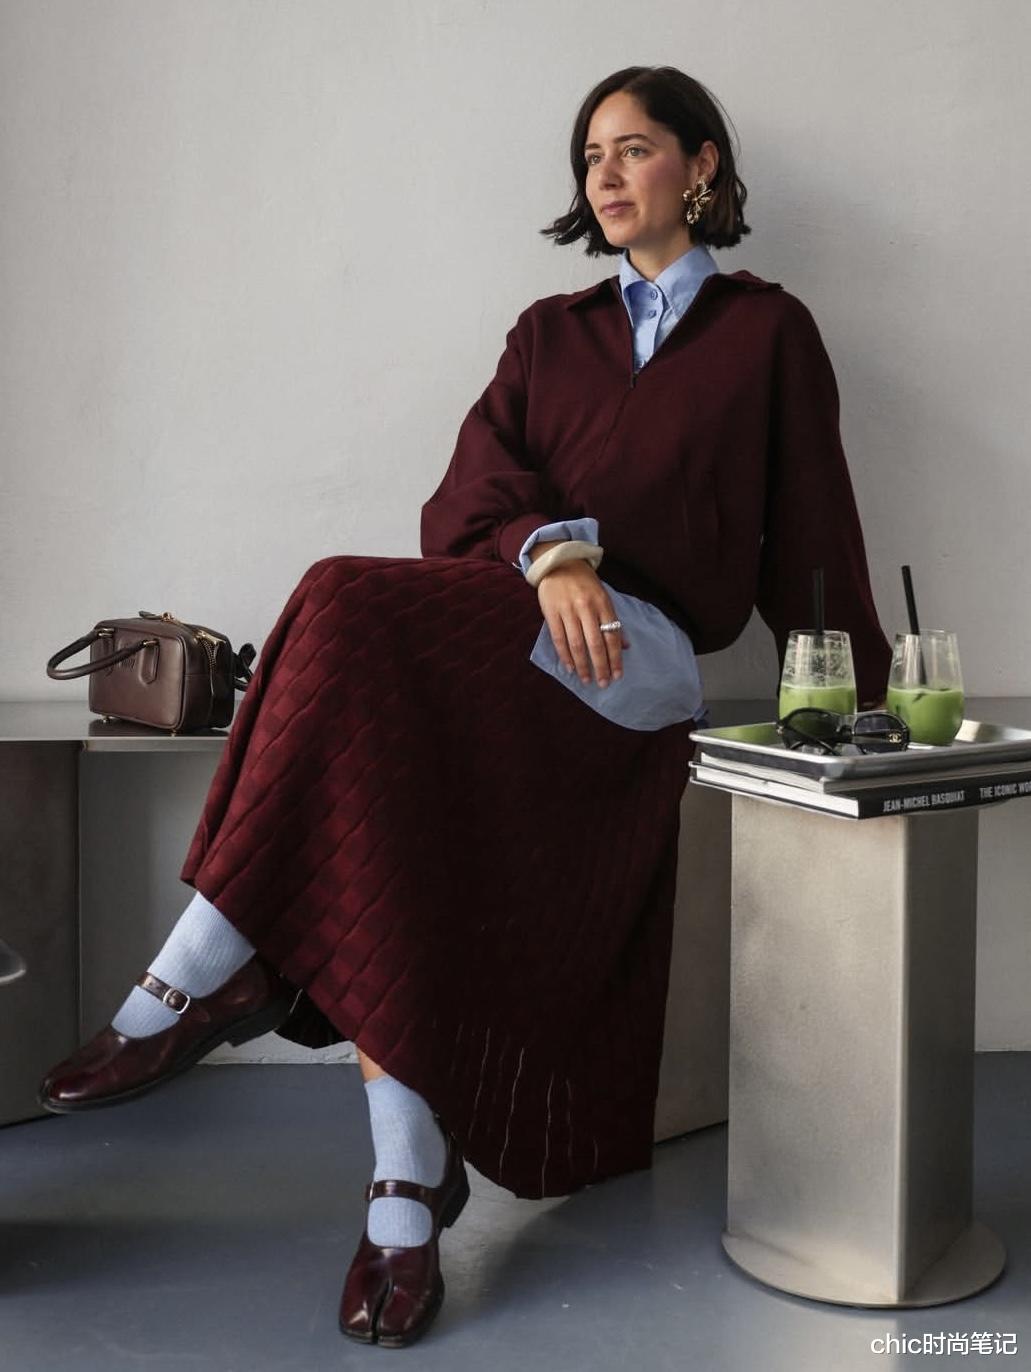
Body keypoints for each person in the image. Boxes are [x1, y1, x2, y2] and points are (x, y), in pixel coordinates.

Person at [38, 65, 891, 1347]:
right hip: (515, 625)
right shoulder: (549, 333)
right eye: (589, 156)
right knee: (380, 780)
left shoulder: (767, 333)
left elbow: (814, 532)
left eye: (633, 148)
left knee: (340, 598)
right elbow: (466, 497)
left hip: (641, 656)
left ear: (701, 167)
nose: (604, 175)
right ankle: (405, 1184)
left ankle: (200, 969)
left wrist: (858, 703)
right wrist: (550, 554)